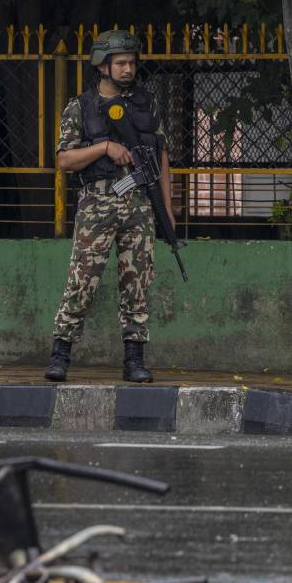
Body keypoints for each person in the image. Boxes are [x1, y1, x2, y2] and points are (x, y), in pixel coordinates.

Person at [44, 29, 174, 384]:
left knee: (137, 283)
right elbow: (65, 160)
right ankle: (60, 354)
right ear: (102, 66)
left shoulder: (148, 105)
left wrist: (167, 208)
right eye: (120, 63)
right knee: (81, 280)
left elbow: (162, 158)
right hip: (97, 203)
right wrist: (103, 148)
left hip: (140, 205)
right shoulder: (80, 107)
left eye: (132, 63)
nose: (128, 69)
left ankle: (134, 360)